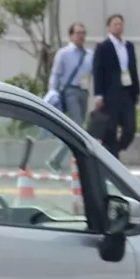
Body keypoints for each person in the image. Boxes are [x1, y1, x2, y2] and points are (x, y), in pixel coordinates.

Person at [90, 12, 140, 158]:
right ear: (109, 27)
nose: (118, 27)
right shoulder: (103, 47)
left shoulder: (128, 46)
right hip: (110, 94)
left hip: (127, 91)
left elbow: (133, 69)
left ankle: (116, 150)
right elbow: (98, 71)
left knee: (130, 128)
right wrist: (98, 94)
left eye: (120, 24)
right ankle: (112, 158)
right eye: (115, 24)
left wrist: (137, 91)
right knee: (110, 129)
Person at [46, 22, 92, 172]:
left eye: (83, 33)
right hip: (70, 91)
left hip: (84, 91)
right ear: (71, 35)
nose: (81, 36)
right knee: (78, 127)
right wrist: (52, 91)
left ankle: (57, 159)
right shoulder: (64, 53)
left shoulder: (89, 54)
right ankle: (57, 159)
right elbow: (56, 74)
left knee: (77, 129)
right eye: (78, 33)